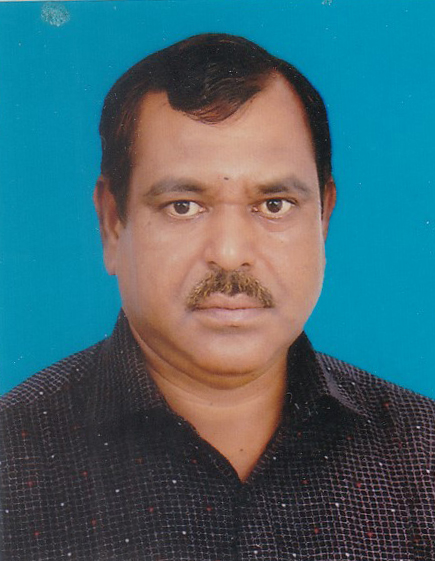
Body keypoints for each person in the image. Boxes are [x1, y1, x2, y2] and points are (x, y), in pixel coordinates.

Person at [1, 33, 434, 561]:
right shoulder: (12, 458)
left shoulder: (424, 455)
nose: (230, 255)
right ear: (112, 223)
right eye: (184, 205)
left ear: (323, 218)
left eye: (274, 204)